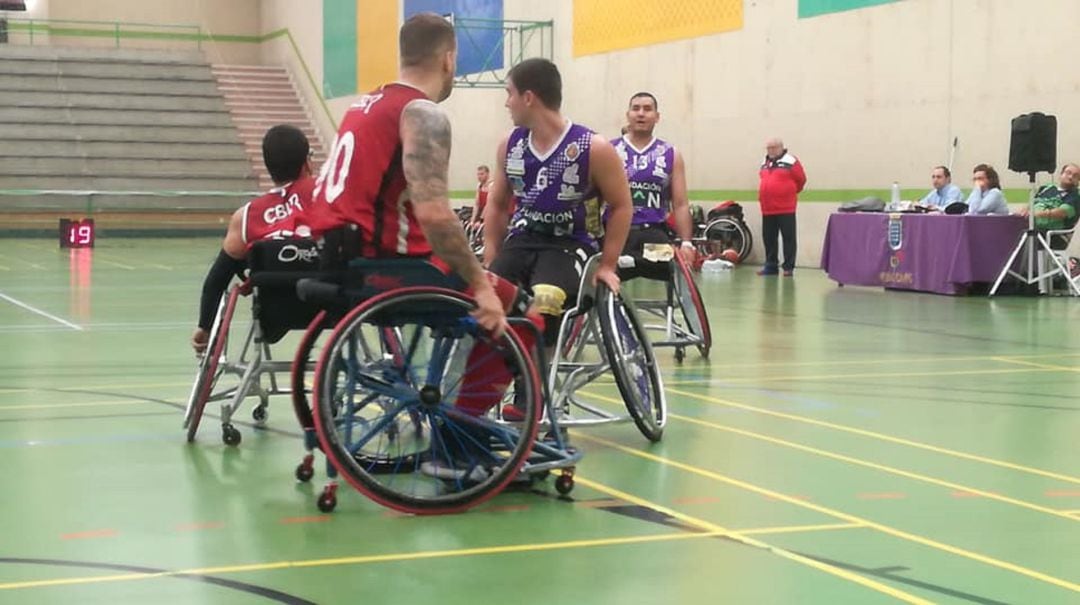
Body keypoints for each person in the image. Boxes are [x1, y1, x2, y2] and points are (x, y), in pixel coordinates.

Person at [306, 12, 507, 339]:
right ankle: (483, 392)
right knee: (515, 307)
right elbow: (435, 216)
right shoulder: (421, 113)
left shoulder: (363, 106)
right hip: (386, 263)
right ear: (448, 59)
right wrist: (481, 284)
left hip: (335, 253)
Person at [483, 58, 632, 347]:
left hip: (570, 243)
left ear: (528, 98)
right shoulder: (509, 145)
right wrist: (491, 255)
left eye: (509, 94)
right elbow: (498, 205)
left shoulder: (594, 147)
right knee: (489, 294)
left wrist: (608, 265)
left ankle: (540, 373)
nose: (507, 103)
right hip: (522, 240)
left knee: (547, 297)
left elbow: (622, 206)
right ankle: (502, 373)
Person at [191, 124, 315, 353]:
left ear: (269, 167)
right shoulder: (328, 195)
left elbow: (217, 279)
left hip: (276, 311)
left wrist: (205, 326)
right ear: (307, 163)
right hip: (332, 306)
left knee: (242, 260)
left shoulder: (245, 217)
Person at [610, 91, 695, 280]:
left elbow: (680, 204)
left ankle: (629, 260)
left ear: (657, 117)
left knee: (670, 265)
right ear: (628, 115)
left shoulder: (670, 153)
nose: (641, 113)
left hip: (653, 232)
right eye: (636, 109)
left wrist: (687, 243)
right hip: (616, 232)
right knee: (599, 269)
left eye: (647, 109)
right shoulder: (609, 150)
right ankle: (629, 261)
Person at [757, 137, 805, 276]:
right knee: (769, 238)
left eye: (773, 148)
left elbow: (801, 180)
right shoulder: (764, 162)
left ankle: (788, 267)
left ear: (780, 147)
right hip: (767, 208)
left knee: (788, 237)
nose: (770, 151)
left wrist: (787, 193)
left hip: (786, 208)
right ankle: (771, 265)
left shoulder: (791, 161)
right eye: (768, 148)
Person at [1022, 163, 1080, 247]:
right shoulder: (1046, 188)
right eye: (1068, 173)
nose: (1070, 177)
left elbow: (1061, 213)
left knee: (1026, 236)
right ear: (1061, 174)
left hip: (1054, 234)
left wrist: (1035, 214)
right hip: (1033, 228)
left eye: (1075, 176)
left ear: (1078, 181)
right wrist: (1024, 211)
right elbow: (1032, 202)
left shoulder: (1075, 195)